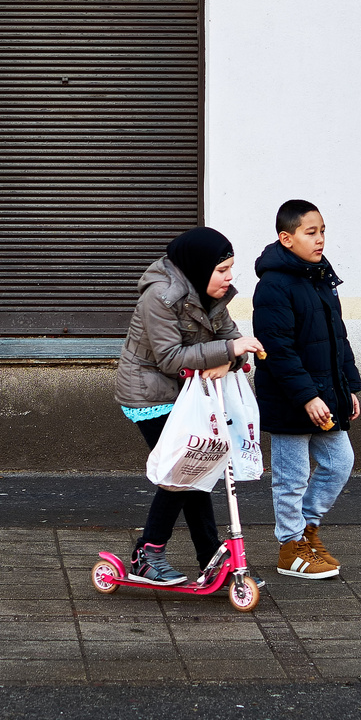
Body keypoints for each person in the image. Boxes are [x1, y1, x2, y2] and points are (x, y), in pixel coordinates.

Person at [115, 226, 266, 585]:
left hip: (186, 392)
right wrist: (229, 353)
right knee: (185, 471)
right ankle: (146, 553)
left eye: (231, 269)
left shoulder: (212, 293)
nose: (230, 278)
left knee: (196, 472)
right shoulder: (162, 296)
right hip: (149, 394)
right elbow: (169, 357)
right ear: (200, 267)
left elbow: (231, 339)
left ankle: (210, 558)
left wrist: (229, 357)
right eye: (223, 270)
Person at [252, 199, 361, 579]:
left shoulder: (320, 276)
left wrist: (348, 388)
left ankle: (307, 531)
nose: (319, 240)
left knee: (339, 463)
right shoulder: (273, 286)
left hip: (327, 394)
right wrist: (308, 396)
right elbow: (277, 350)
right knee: (292, 476)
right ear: (286, 238)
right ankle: (290, 548)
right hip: (291, 400)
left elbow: (337, 339)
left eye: (323, 231)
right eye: (310, 232)